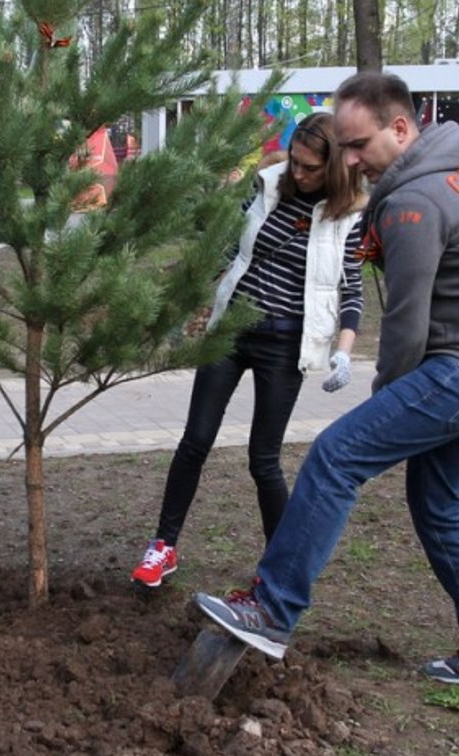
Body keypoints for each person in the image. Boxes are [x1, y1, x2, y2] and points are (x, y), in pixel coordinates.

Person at [194, 71, 459, 692]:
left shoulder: (415, 201)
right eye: (343, 149)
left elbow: (406, 322)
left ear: (401, 127)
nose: (349, 161)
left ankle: (271, 611)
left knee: (335, 456)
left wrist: (388, 402)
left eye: (358, 146)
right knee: (437, 505)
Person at [131, 113, 366, 588]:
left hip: (286, 344)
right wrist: (185, 299)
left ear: (335, 168)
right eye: (295, 162)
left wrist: (344, 349)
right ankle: (163, 546)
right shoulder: (265, 188)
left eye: (310, 168)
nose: (298, 174)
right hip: (232, 329)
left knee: (263, 458)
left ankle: (278, 569)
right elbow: (225, 250)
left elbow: (352, 289)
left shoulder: (350, 215)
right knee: (195, 440)